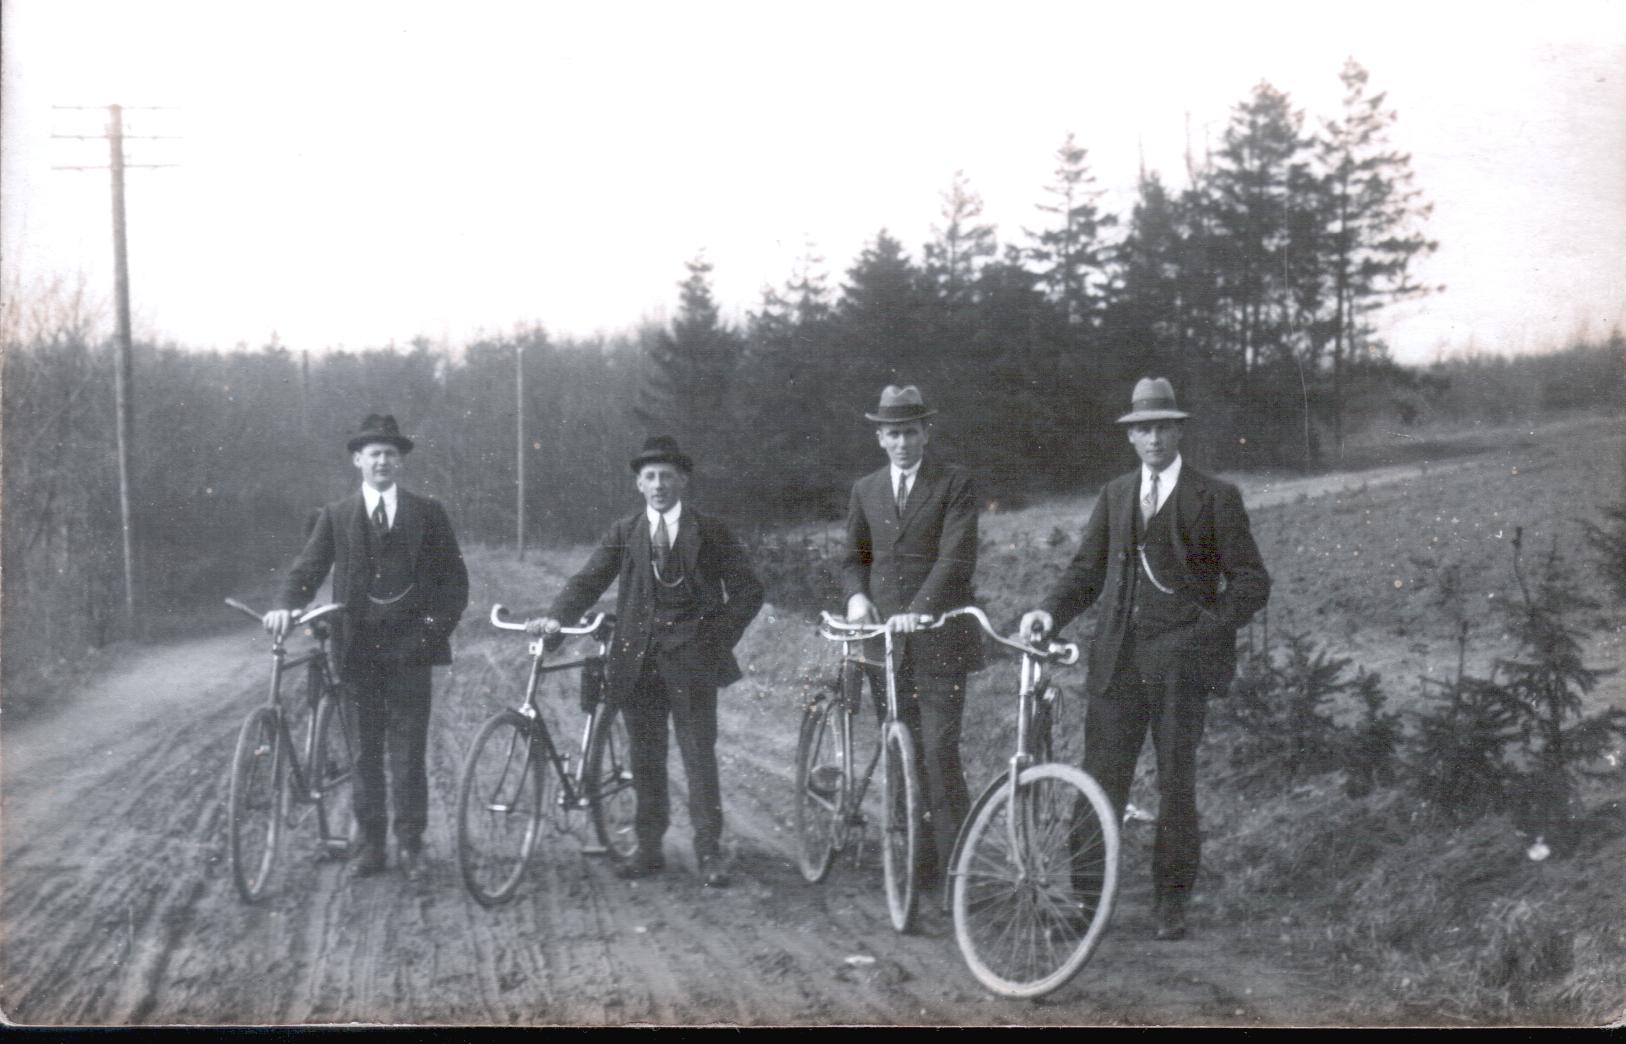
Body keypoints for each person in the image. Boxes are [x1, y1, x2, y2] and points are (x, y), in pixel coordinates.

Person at [1020, 377, 1270, 940]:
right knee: (1100, 778)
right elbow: (1086, 571)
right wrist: (1049, 614)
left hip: (1181, 666)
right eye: (1143, 430)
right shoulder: (1115, 495)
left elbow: (1252, 582)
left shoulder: (1216, 497)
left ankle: (1170, 904)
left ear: (1178, 432)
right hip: (1116, 662)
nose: (1153, 439)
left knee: (1176, 782)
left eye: (1162, 428)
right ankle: (1086, 904)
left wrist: (1204, 631)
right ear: (1130, 437)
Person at [527, 436, 763, 888]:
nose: (659, 485)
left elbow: (749, 591)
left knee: (698, 756)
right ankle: (649, 848)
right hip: (638, 663)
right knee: (645, 757)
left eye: (667, 477)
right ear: (638, 484)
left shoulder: (710, 531)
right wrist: (557, 618)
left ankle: (709, 852)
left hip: (693, 662)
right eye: (650, 477)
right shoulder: (625, 532)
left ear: (682, 481)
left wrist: (714, 640)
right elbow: (587, 581)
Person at [265, 413, 470, 882]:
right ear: (357, 460)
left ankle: (411, 845)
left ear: (400, 462)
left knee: (409, 752)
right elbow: (307, 570)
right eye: (374, 453)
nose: (382, 461)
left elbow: (454, 585)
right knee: (364, 753)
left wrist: (429, 635)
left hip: (411, 651)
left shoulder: (428, 513)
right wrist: (284, 606)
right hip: (358, 650)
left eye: (390, 454)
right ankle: (372, 846)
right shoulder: (337, 516)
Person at [839, 384, 983, 895]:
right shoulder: (866, 489)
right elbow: (852, 558)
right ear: (880, 438)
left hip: (940, 639)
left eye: (910, 432)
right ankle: (916, 866)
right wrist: (857, 598)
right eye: (892, 434)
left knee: (939, 750)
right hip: (885, 645)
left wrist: (918, 611)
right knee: (901, 749)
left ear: (926, 433)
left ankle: (956, 873)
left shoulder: (955, 483)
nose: (901, 443)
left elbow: (956, 557)